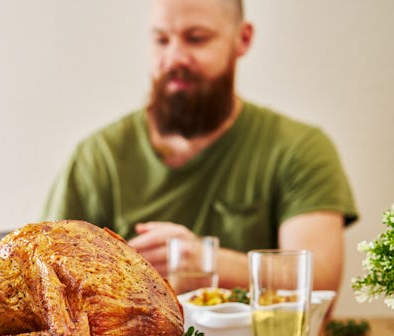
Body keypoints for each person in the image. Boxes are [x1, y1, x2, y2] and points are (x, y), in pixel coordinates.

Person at [42, 0, 358, 294]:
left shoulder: (298, 149)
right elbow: (44, 275)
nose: (175, 57)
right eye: (162, 40)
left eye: (196, 39)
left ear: (243, 39)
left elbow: (320, 285)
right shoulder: (98, 158)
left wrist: (205, 261)